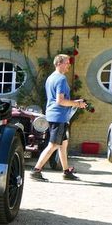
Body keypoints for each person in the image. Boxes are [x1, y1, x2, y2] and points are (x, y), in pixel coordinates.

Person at [30, 54, 88, 182]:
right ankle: (36, 171)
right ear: (59, 63)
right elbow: (60, 101)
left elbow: (57, 99)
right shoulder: (61, 79)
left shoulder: (51, 78)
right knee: (53, 145)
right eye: (67, 63)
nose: (69, 65)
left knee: (63, 145)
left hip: (55, 115)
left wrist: (74, 101)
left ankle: (66, 171)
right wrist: (77, 104)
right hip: (59, 116)